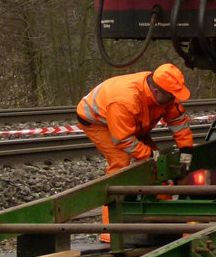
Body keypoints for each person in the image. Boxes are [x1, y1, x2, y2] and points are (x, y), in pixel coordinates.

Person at [77, 63, 194, 242]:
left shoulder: (166, 96)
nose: (174, 99)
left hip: (131, 123)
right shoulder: (125, 100)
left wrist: (186, 151)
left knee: (157, 167)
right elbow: (123, 140)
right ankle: (111, 231)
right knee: (120, 163)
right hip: (99, 122)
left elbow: (178, 121)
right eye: (171, 96)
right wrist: (150, 156)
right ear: (157, 92)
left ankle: (164, 221)